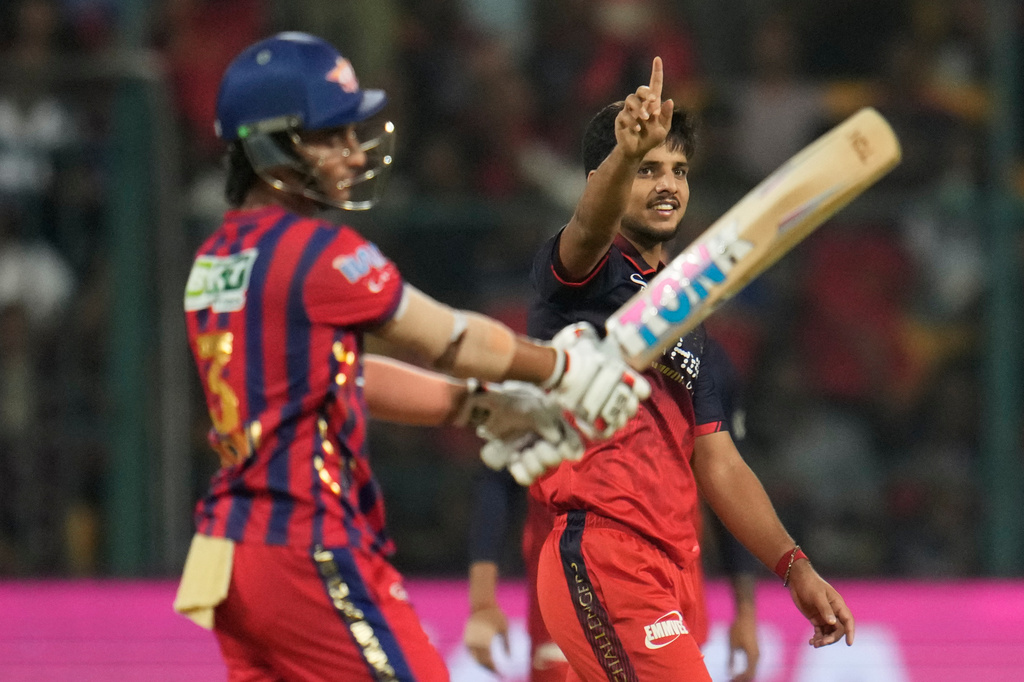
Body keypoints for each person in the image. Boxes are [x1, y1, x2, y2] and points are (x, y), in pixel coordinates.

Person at [171, 32, 652, 682]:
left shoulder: (214, 260)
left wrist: (478, 406)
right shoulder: (320, 254)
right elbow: (452, 340)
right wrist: (562, 369)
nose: (352, 152)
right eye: (330, 136)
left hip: (232, 554)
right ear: (270, 147)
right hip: (306, 541)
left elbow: (344, 379)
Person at [485, 57, 855, 681]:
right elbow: (588, 225)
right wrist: (624, 153)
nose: (669, 185)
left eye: (678, 171)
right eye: (648, 169)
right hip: (604, 553)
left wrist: (794, 567)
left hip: (669, 567)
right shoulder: (581, 275)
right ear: (604, 177)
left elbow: (719, 462)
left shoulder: (690, 323)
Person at [461, 341, 762, 682]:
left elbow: (723, 478)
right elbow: (498, 476)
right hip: (579, 570)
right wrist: (482, 601)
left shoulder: (704, 358)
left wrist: (745, 612)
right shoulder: (555, 344)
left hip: (673, 574)